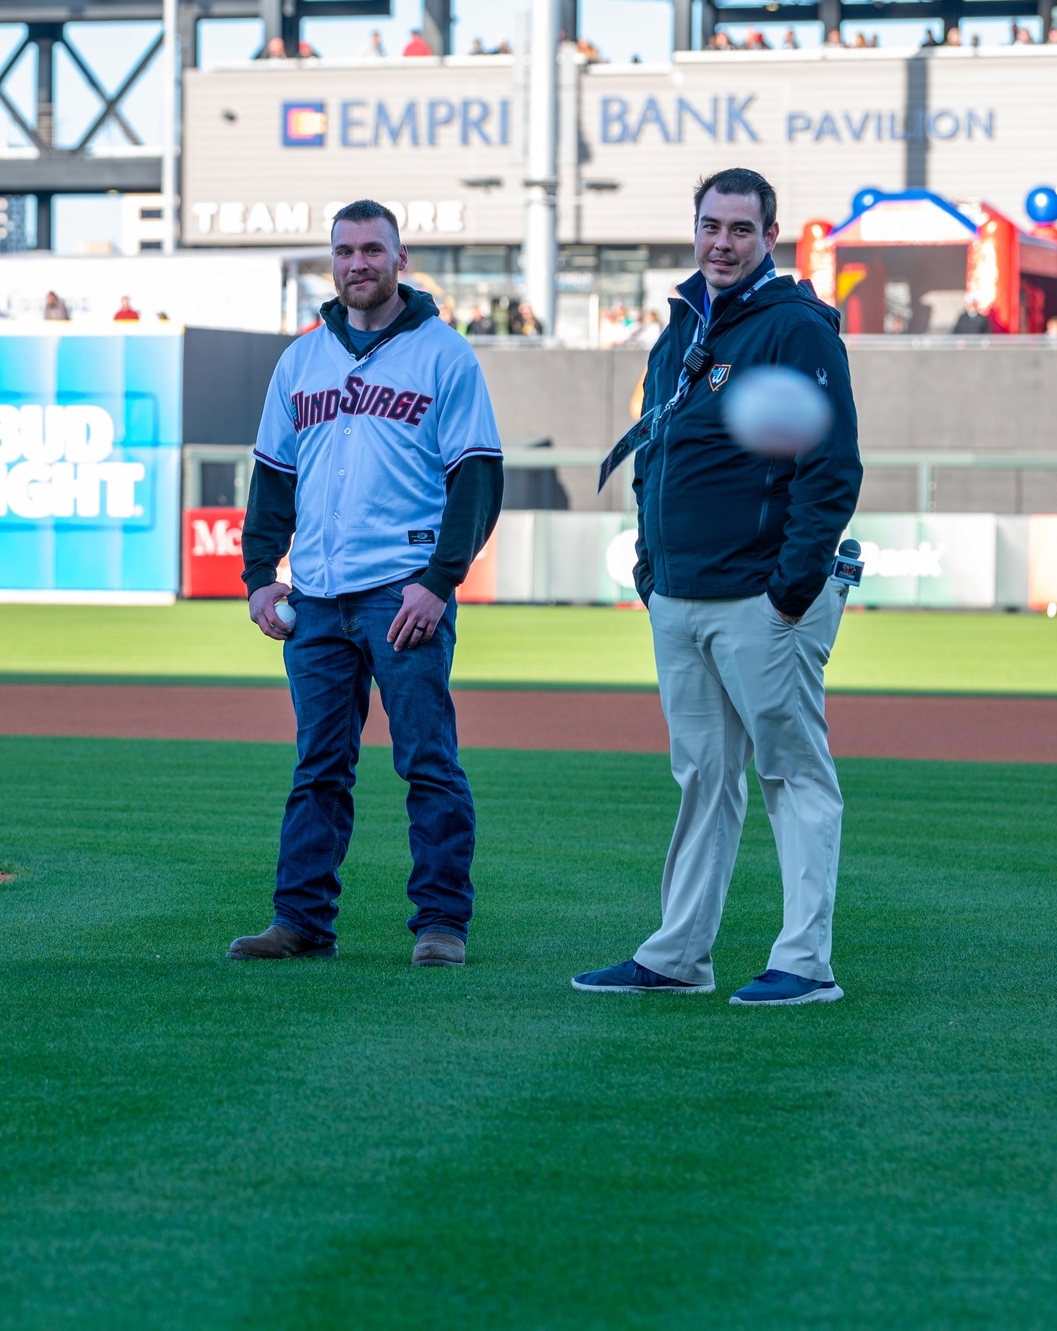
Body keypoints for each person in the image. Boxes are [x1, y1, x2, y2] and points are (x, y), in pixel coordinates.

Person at [573, 167, 862, 1006]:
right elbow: (659, 450)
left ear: (770, 237)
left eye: (741, 229)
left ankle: (806, 963)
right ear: (693, 229)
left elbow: (830, 465)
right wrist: (650, 567)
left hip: (759, 599)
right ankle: (678, 955)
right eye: (710, 226)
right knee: (703, 776)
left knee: (792, 775)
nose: (721, 243)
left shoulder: (796, 328)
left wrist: (790, 589)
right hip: (682, 594)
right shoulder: (680, 328)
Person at [228, 199, 505, 967]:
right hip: (316, 596)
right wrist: (259, 576)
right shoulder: (302, 359)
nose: (359, 263)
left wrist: (439, 583)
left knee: (426, 759)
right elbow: (273, 480)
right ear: (333, 261)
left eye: (373, 249)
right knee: (318, 766)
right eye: (345, 250)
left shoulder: (444, 354)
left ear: (400, 258)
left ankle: (441, 923)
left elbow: (477, 481)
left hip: (401, 594)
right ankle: (301, 921)